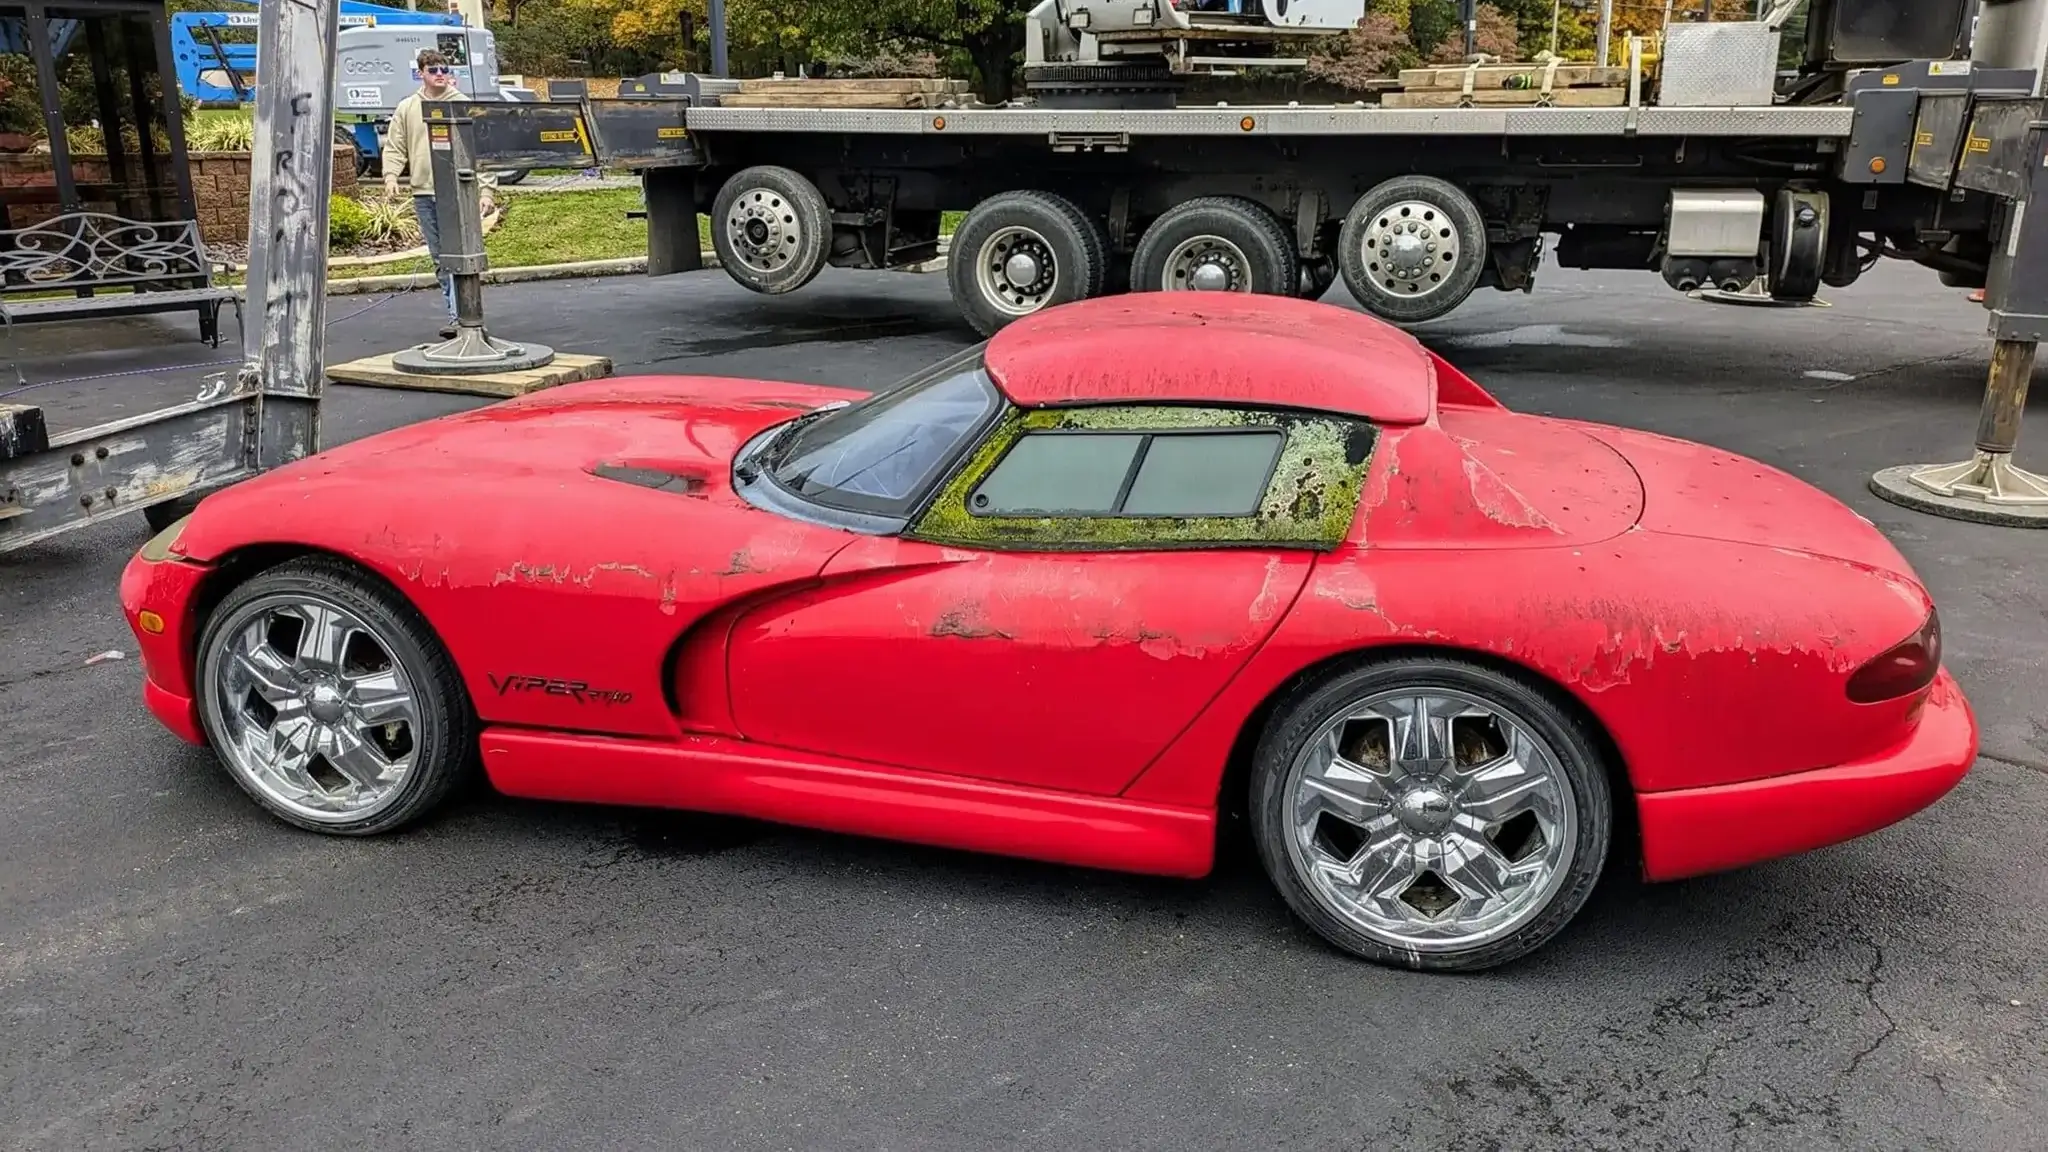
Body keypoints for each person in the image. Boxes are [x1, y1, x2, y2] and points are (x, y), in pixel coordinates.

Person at [383, 50, 494, 338]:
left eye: (444, 69)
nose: (440, 74)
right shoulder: (408, 108)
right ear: (421, 73)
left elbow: (481, 152)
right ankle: (455, 315)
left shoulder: (463, 106)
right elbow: (396, 145)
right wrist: (391, 176)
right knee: (440, 258)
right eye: (433, 70)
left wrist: (486, 191)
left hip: (459, 191)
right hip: (424, 193)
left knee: (462, 254)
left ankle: (466, 317)